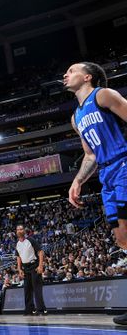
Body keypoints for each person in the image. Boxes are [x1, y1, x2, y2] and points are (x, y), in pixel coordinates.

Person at [63, 61, 127, 326]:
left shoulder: (103, 95)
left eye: (72, 70)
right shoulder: (76, 117)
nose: (65, 74)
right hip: (106, 175)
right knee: (122, 239)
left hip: (124, 164)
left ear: (87, 76)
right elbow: (89, 154)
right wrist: (77, 181)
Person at [15, 224, 46, 315]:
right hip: (25, 268)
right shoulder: (17, 244)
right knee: (27, 290)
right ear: (16, 232)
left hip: (34, 265)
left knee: (37, 289)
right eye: (18, 229)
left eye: (21, 229)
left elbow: (40, 252)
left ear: (24, 231)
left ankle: (41, 309)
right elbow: (18, 257)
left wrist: (40, 266)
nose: (20, 231)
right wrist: (19, 269)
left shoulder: (30, 240)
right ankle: (29, 309)